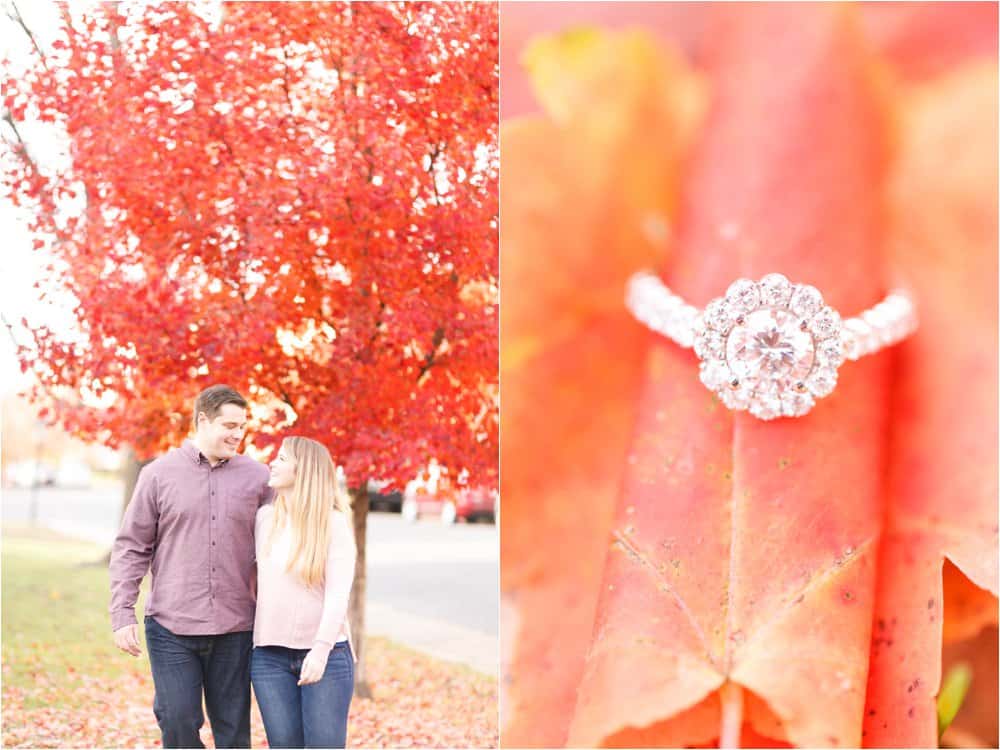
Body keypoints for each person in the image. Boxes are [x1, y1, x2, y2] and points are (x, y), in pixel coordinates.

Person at [109, 384, 272, 749]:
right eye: (229, 425)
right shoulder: (157, 475)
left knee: (233, 734)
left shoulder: (260, 479)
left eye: (242, 426)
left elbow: (284, 544)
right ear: (202, 420)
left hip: (235, 628)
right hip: (171, 626)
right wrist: (122, 613)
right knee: (177, 722)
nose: (237, 434)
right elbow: (132, 546)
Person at [251, 436, 357, 749]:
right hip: (269, 657)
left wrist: (321, 651)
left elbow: (338, 594)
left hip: (326, 655)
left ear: (304, 470)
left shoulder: (334, 524)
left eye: (282, 458)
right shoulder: (264, 519)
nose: (273, 462)